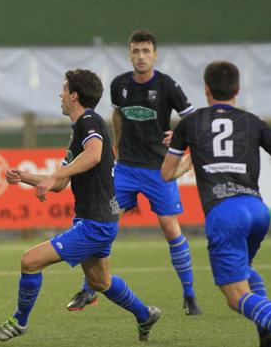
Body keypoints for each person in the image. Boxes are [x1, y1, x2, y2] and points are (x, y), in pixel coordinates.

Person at [0, 69, 160, 343]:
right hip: (100, 220)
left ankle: (18, 323)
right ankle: (144, 314)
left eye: (64, 89)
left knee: (30, 261)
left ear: (74, 95)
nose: (61, 94)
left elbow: (93, 156)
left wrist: (56, 175)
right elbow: (59, 184)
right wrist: (25, 177)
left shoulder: (89, 120)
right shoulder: (79, 129)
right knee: (101, 282)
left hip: (96, 223)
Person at [66, 29, 201, 315]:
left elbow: (192, 119)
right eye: (136, 51)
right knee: (107, 218)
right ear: (129, 54)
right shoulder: (119, 85)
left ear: (155, 54)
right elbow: (117, 114)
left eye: (146, 51)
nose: (141, 56)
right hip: (125, 172)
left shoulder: (167, 86)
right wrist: (115, 145)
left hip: (158, 171)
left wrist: (176, 136)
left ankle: (189, 295)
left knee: (170, 228)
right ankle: (89, 289)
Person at [162, 61, 271, 347]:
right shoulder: (254, 121)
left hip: (225, 212)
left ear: (206, 89)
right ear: (237, 89)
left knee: (234, 296)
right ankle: (268, 335)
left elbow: (166, 174)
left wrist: (189, 160)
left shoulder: (189, 123)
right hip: (257, 210)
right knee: (245, 271)